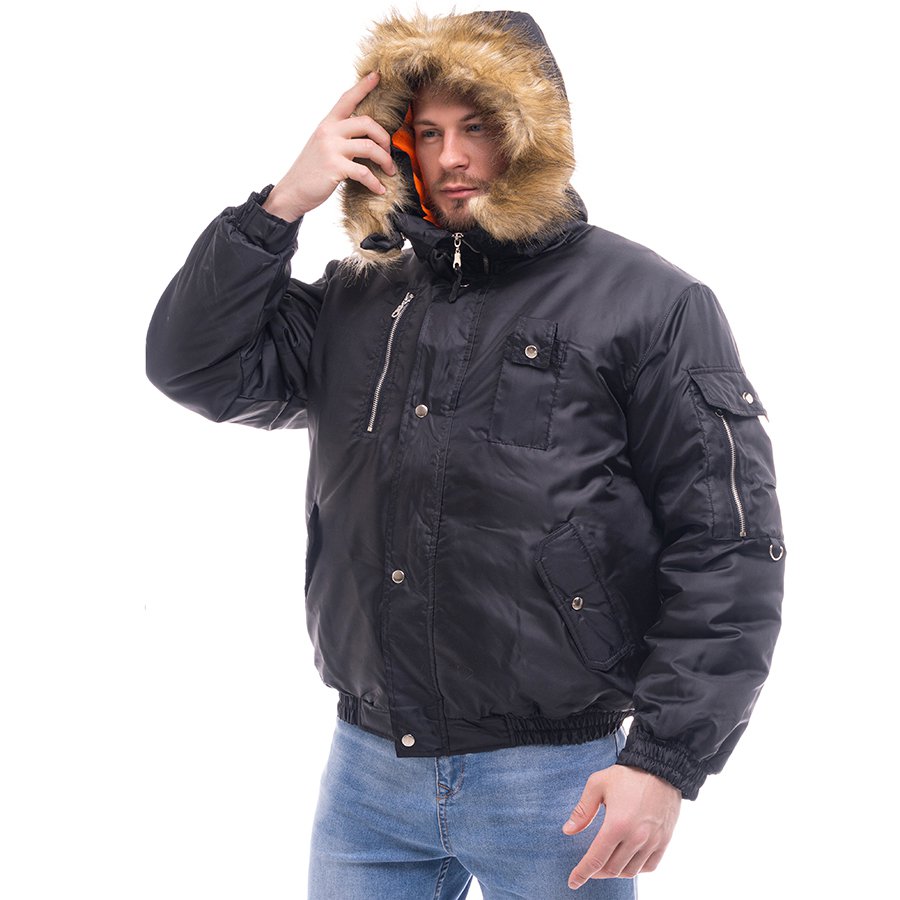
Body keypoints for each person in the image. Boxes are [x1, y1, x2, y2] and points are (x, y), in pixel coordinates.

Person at [146, 10, 785, 898]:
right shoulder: (361, 295)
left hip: (557, 781)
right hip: (366, 773)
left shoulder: (650, 301)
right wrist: (282, 204)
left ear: (531, 131)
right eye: (428, 132)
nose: (451, 158)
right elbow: (193, 365)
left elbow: (729, 543)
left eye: (477, 128)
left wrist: (666, 761)